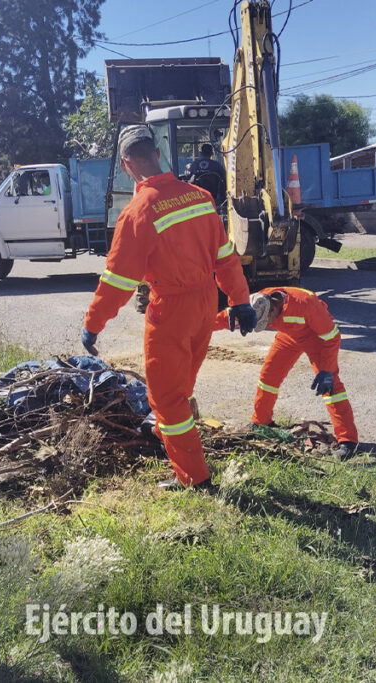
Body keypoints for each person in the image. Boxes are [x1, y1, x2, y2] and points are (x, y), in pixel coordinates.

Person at [81, 125, 255, 489]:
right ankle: (166, 433)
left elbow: (118, 282)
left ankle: (193, 477)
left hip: (171, 310)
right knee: (181, 383)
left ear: (126, 165)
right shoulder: (200, 197)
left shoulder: (138, 211)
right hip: (205, 303)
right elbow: (224, 257)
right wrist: (240, 300)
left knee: (166, 397)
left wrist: (93, 325)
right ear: (157, 153)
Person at [217, 287, 359, 459]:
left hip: (316, 338)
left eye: (267, 322)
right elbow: (223, 318)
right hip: (289, 336)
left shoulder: (306, 304)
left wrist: (327, 369)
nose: (267, 326)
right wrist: (195, 328)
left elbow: (332, 336)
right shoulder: (256, 304)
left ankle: (348, 440)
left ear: (273, 309)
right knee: (268, 377)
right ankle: (261, 422)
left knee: (331, 387)